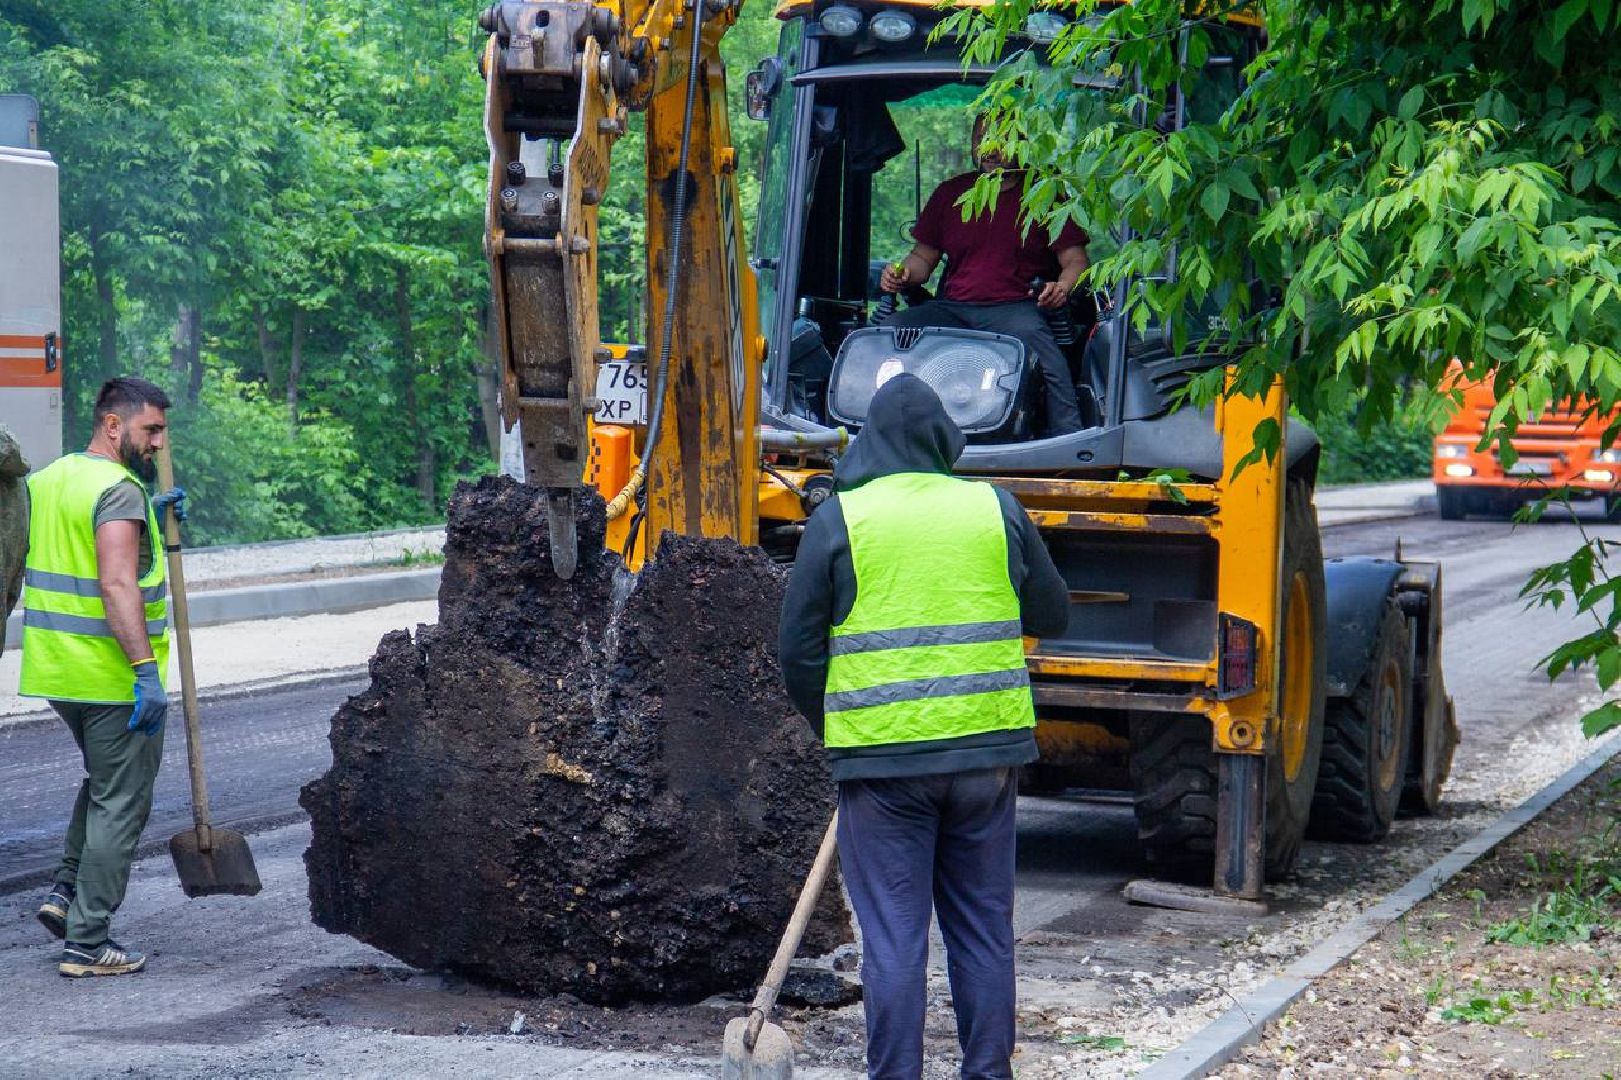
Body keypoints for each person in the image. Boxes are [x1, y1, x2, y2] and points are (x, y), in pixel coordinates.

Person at [778, 374, 1070, 1079]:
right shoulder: (993, 508)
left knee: (895, 940)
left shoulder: (840, 518)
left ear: (868, 442)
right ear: (944, 439)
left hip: (882, 770)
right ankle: (987, 1071)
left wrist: (839, 728)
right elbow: (1052, 614)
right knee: (981, 932)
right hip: (985, 761)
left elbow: (797, 650)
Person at [23, 376, 183, 978]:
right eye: (152, 429)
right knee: (122, 800)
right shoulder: (116, 490)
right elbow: (117, 583)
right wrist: (144, 671)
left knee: (103, 782)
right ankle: (88, 943)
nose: (160, 443)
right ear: (114, 426)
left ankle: (64, 895)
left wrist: (148, 513)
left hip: (59, 668)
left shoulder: (52, 477)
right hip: (110, 674)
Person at [879, 115, 1091, 436]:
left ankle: (1069, 441)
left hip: (1015, 309)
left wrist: (1061, 287)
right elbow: (923, 258)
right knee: (889, 334)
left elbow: (1076, 261)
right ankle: (869, 434)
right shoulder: (951, 193)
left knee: (1051, 362)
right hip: (952, 309)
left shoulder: (1045, 192)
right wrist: (903, 274)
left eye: (1000, 139)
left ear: (1020, 142)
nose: (989, 149)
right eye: (982, 139)